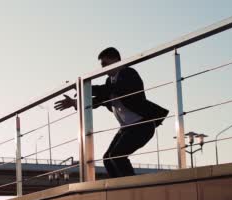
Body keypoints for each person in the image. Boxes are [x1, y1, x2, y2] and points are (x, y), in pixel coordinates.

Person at [54, 47, 168, 178]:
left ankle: (132, 186)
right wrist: (76, 102)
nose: (103, 69)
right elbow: (101, 100)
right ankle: (119, 188)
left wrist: (85, 88)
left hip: (142, 125)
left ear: (116, 60)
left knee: (117, 156)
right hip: (126, 127)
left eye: (104, 64)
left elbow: (112, 90)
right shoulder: (110, 81)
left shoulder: (128, 73)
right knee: (108, 159)